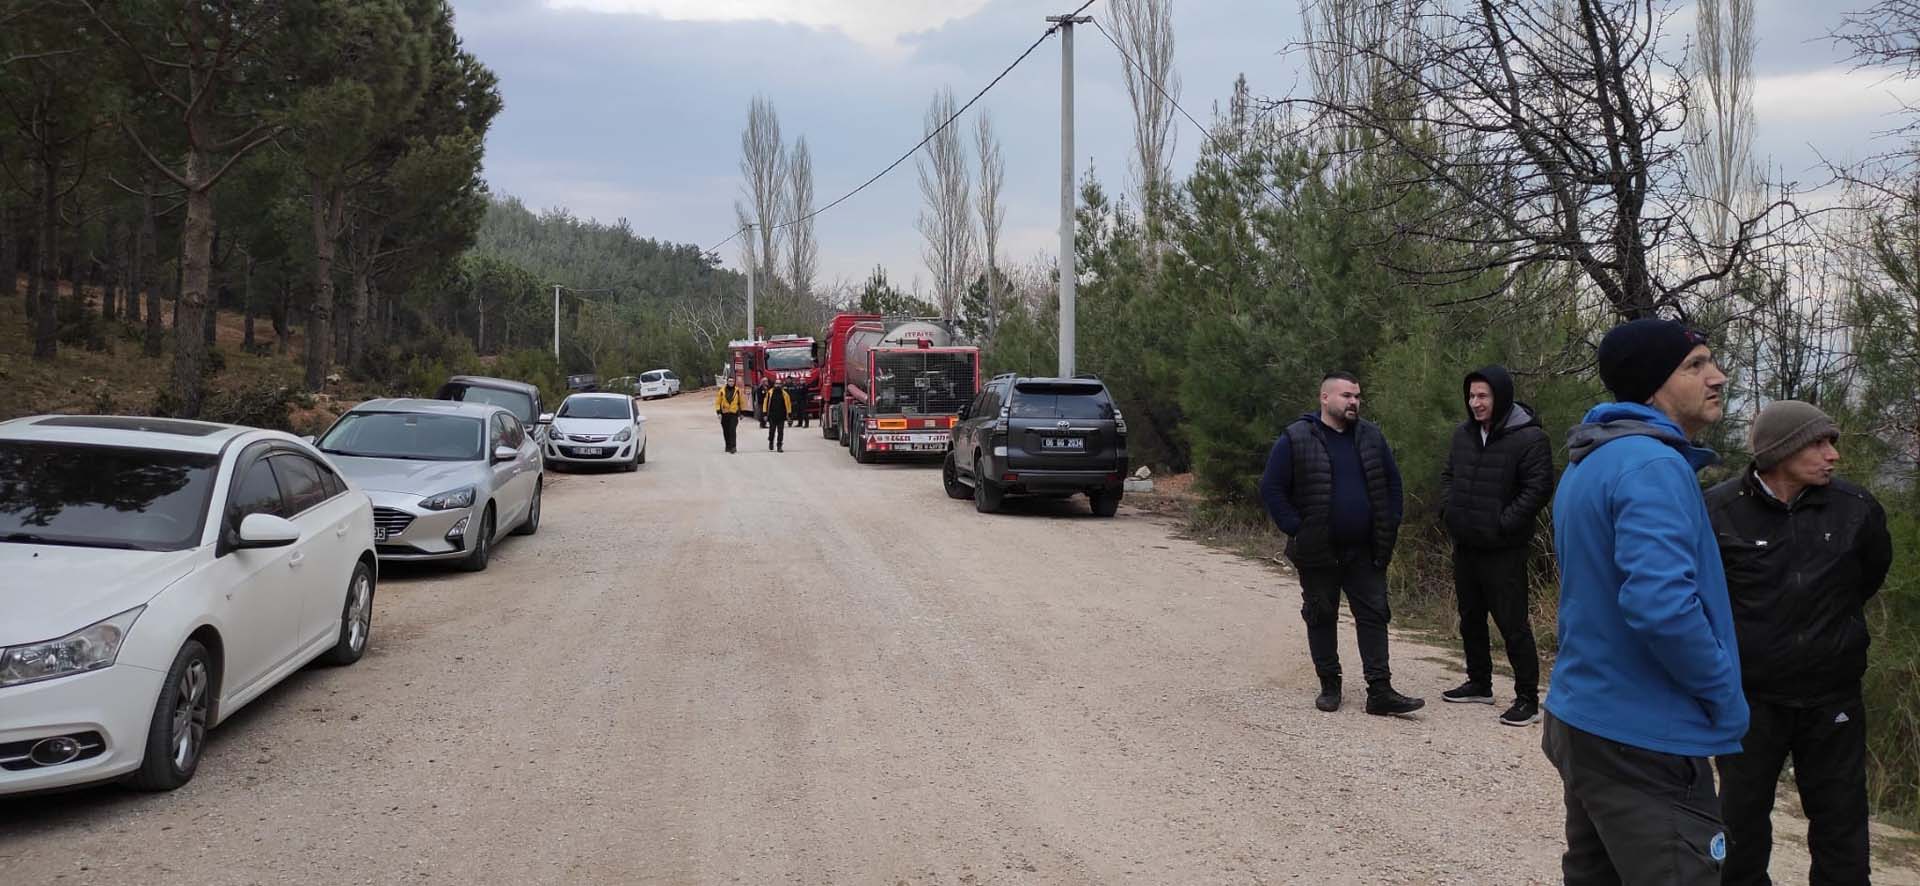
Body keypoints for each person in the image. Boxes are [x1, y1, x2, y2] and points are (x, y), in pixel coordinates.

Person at [1542, 318, 1746, 886]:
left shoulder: (1592, 460)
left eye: (1712, 362)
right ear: (1653, 385)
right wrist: (1723, 692)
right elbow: (1662, 606)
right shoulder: (1653, 465)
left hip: (1586, 717)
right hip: (1644, 733)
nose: (1717, 376)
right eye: (1696, 365)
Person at [1707, 400, 1892, 886]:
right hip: (1750, 700)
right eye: (1819, 442)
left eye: (1832, 442)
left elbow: (1869, 576)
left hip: (1832, 698)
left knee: (1841, 830)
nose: (1832, 454)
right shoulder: (1718, 510)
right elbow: (1703, 595)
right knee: (1741, 825)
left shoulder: (1857, 509)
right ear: (1780, 451)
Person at [1258, 372, 1424, 717]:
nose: (1354, 402)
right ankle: (1329, 685)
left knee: (1375, 614)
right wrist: (1297, 529)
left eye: (1357, 396)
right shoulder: (1296, 437)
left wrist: (1390, 521)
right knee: (1321, 615)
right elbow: (1272, 488)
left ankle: (1380, 690)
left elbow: (1393, 484)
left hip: (1365, 548)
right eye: (1347, 396)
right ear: (1325, 398)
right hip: (1319, 549)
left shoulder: (1371, 437)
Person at [1438, 365, 1553, 727]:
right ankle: (1479, 683)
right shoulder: (1463, 435)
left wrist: (1503, 524)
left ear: (1500, 396)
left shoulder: (1530, 438)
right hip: (1467, 544)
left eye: (1483, 396)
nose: (1475, 403)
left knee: (1512, 623)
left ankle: (1527, 699)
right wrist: (1450, 512)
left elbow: (1537, 489)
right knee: (1471, 617)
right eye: (1471, 396)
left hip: (1505, 549)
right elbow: (1448, 476)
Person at [714, 378, 744, 454]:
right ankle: (728, 446)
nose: (731, 382)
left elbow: (741, 402)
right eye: (730, 381)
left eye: (733, 381)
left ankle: (733, 447)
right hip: (724, 414)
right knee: (726, 431)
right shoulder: (722, 391)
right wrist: (718, 413)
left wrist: (742, 413)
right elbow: (718, 402)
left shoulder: (737, 391)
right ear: (727, 382)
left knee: (732, 430)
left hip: (734, 413)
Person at [763, 382, 793, 452]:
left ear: (781, 385)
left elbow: (788, 404)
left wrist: (789, 414)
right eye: (776, 384)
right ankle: (771, 441)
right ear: (774, 385)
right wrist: (764, 414)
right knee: (772, 431)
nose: (778, 385)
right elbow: (765, 403)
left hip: (781, 416)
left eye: (779, 384)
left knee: (780, 432)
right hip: (772, 416)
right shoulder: (769, 393)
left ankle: (779, 446)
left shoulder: (785, 394)